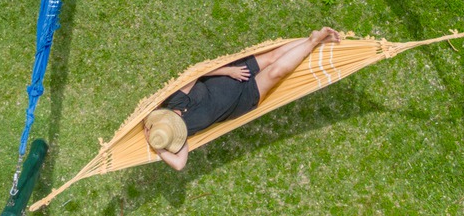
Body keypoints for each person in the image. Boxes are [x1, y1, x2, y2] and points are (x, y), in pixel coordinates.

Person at [143, 27, 342, 170]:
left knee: (273, 56)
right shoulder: (184, 134)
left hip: (233, 74)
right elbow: (179, 164)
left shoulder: (176, 99)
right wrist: (158, 148)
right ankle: (313, 42)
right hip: (244, 100)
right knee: (276, 72)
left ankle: (316, 41)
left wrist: (228, 70)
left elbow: (198, 73)